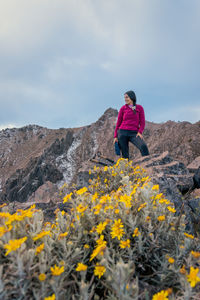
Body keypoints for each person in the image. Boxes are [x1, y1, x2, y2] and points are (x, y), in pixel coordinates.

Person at [113, 90, 150, 159]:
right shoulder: (123, 108)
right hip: (122, 133)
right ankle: (126, 168)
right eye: (124, 98)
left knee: (143, 146)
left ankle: (148, 162)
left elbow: (142, 122)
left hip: (134, 133)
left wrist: (140, 132)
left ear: (132, 97)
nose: (125, 99)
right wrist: (115, 136)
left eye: (127, 97)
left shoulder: (139, 108)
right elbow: (118, 124)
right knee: (125, 156)